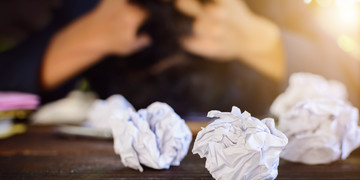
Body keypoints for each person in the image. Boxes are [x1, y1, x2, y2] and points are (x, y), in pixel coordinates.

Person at [0, 0, 359, 116]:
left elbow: (352, 85)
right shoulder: (90, 5)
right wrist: (88, 35)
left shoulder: (277, 6)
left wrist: (259, 40)